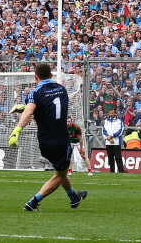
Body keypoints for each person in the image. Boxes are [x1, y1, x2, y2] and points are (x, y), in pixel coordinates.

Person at [8, 63, 87, 211]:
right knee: (60, 175)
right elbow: (52, 108)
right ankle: (32, 203)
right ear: (51, 75)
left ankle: (73, 198)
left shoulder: (35, 92)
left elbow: (33, 110)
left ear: (35, 77)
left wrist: (16, 130)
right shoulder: (62, 89)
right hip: (61, 139)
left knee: (60, 170)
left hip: (44, 141)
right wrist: (28, 110)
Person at [103, 109, 126, 173]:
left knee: (118, 157)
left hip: (116, 142)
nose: (111, 114)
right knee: (110, 157)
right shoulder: (106, 121)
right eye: (110, 113)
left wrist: (112, 136)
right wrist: (109, 138)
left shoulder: (119, 121)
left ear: (115, 113)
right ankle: (112, 170)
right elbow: (104, 130)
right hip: (108, 142)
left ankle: (121, 170)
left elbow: (120, 131)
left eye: (112, 113)